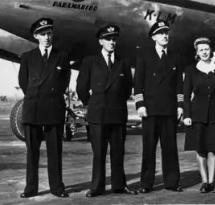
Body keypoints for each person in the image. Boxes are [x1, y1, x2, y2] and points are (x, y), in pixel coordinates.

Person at [76, 25, 138, 197]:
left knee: (118, 152)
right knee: (99, 153)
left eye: (114, 39)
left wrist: (116, 100)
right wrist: (92, 103)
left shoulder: (123, 62)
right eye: (108, 39)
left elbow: (127, 87)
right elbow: (81, 86)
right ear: (100, 41)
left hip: (117, 113)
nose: (111, 42)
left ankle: (119, 185)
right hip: (98, 113)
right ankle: (97, 187)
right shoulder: (90, 61)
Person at [18, 17, 71, 198]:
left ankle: (57, 187)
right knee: (32, 153)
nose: (47, 37)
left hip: (53, 108)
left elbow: (64, 81)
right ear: (36, 36)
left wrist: (50, 96)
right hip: (32, 109)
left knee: (55, 152)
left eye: (49, 33)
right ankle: (31, 188)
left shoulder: (62, 57)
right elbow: (24, 83)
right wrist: (36, 97)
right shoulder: (27, 57)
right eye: (43, 34)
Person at [134, 20, 183, 193]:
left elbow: (179, 85)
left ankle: (172, 182)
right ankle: (146, 184)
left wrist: (180, 106)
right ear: (154, 36)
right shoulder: (144, 56)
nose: (164, 36)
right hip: (150, 109)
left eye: (166, 33)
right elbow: (138, 82)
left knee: (170, 147)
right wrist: (140, 104)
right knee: (149, 148)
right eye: (161, 33)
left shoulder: (175, 57)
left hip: (169, 109)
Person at [183, 37, 215, 193]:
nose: (204, 52)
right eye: (201, 50)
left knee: (214, 149)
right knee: (200, 149)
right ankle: (204, 182)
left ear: (211, 51)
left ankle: (212, 182)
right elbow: (186, 95)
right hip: (197, 113)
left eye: (206, 49)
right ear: (197, 53)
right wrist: (187, 114)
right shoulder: (191, 70)